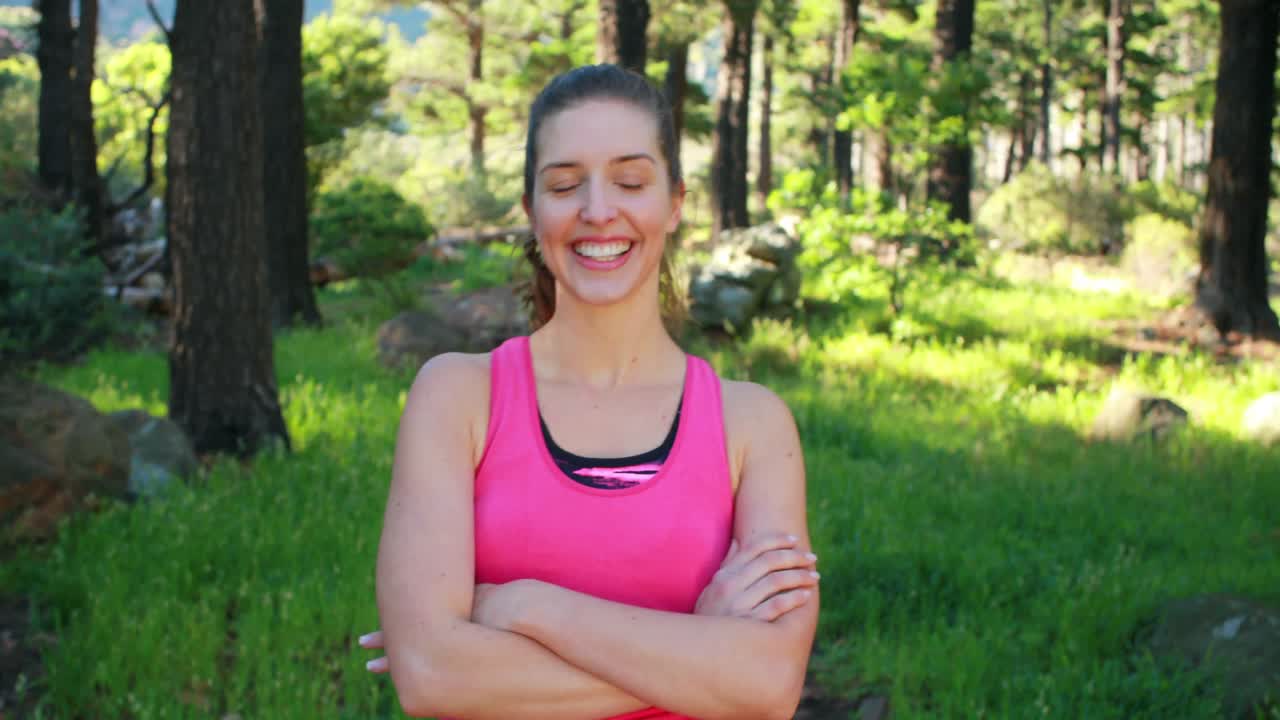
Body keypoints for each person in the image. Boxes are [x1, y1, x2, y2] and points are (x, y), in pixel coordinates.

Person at [359, 64, 819, 720]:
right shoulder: (459, 398)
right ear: (532, 211)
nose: (598, 211)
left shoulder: (752, 424)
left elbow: (771, 685)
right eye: (566, 184)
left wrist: (520, 606)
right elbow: (431, 675)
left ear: (676, 203)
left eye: (630, 181)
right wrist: (699, 640)